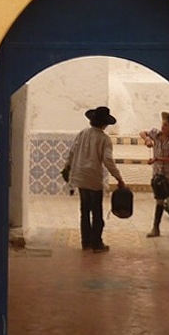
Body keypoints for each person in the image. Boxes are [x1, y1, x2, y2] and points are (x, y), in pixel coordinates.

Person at [65, 106, 125, 253]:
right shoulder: (104, 139)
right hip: (93, 179)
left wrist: (68, 169)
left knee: (84, 211)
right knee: (97, 212)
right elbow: (108, 160)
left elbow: (72, 152)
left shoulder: (82, 133)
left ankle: (85, 242)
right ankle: (97, 243)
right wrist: (119, 178)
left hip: (80, 177)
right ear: (105, 124)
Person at [139, 112, 169, 239]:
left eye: (166, 126)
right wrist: (147, 139)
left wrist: (157, 159)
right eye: (163, 124)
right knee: (159, 199)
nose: (163, 127)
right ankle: (155, 228)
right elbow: (143, 133)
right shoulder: (156, 134)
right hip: (158, 173)